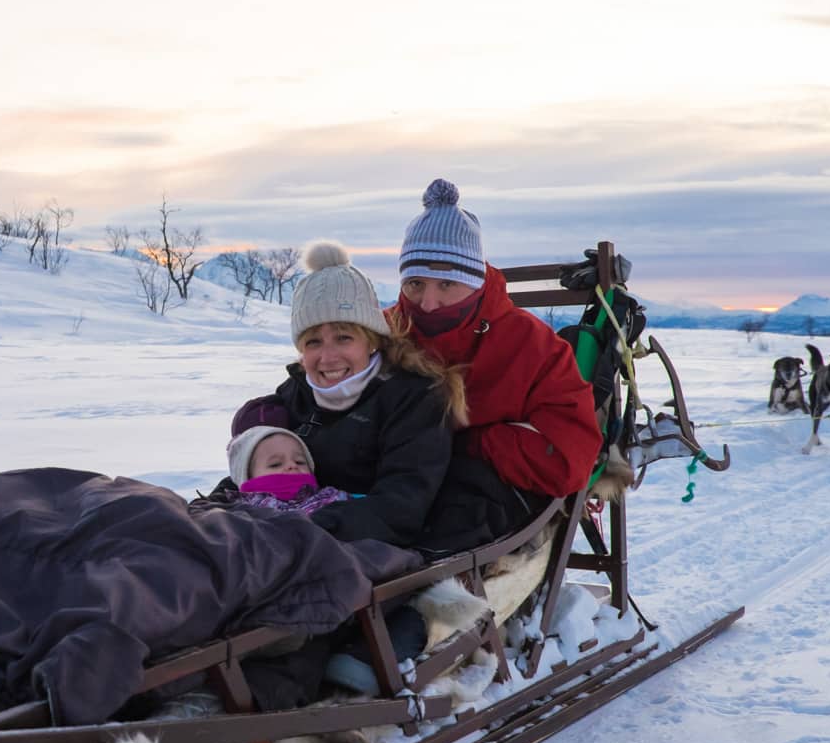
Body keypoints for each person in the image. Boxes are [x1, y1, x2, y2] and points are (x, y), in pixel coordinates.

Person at [385, 179, 601, 553]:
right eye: (415, 283)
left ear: (475, 282)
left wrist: (463, 443)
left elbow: (567, 459)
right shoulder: (382, 333)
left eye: (447, 284)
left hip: (478, 504)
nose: (428, 303)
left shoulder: (533, 346)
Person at [227, 240, 463, 549]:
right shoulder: (296, 394)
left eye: (343, 338)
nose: (328, 357)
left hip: (355, 549)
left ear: (371, 341)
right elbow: (255, 474)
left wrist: (301, 529)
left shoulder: (414, 399)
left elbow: (400, 508)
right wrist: (216, 508)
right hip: (287, 535)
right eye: (313, 342)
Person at [216, 425, 350, 517]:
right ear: (248, 477)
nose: (292, 465)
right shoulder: (238, 515)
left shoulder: (334, 500)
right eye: (275, 464)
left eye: (300, 461)